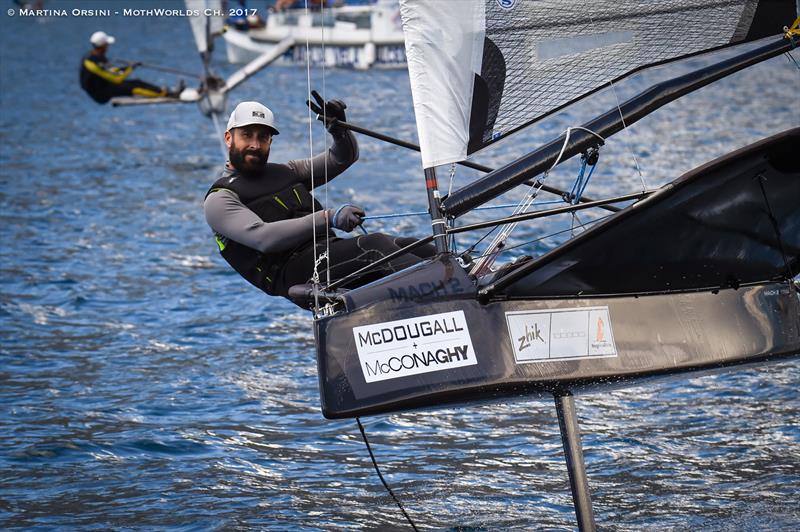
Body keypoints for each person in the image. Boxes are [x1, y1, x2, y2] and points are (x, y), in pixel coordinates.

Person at [203, 99, 438, 306]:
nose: (255, 144)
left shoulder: (287, 171)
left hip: (328, 253)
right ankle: (447, 288)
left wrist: (338, 130)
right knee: (375, 246)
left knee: (405, 243)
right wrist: (329, 217)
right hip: (294, 275)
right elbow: (263, 238)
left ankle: (466, 271)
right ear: (228, 138)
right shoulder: (220, 198)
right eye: (246, 135)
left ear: (270, 142)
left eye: (262, 137)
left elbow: (341, 157)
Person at [80, 31, 184, 104]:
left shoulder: (95, 57)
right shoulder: (92, 63)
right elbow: (117, 79)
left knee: (137, 81)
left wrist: (127, 67)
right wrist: (130, 68)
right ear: (103, 46)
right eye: (107, 44)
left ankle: (164, 91)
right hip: (100, 95)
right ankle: (167, 94)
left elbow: (110, 72)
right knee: (135, 86)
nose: (108, 46)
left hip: (103, 87)